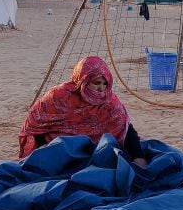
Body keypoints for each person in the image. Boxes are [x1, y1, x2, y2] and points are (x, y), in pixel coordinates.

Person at [18, 56, 148, 166]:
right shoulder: (59, 97)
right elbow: (37, 125)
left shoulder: (110, 103)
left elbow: (125, 130)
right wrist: (40, 151)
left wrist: (138, 158)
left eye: (105, 84)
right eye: (97, 83)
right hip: (60, 153)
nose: (101, 89)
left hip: (96, 153)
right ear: (83, 81)